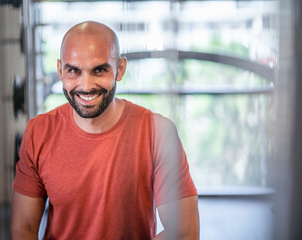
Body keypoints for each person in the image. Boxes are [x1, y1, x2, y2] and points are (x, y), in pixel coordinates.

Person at [10, 21, 199, 240]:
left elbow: (185, 232)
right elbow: (23, 228)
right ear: (60, 70)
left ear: (120, 69)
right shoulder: (38, 131)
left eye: (99, 70)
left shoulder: (158, 132)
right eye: (73, 71)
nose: (86, 85)